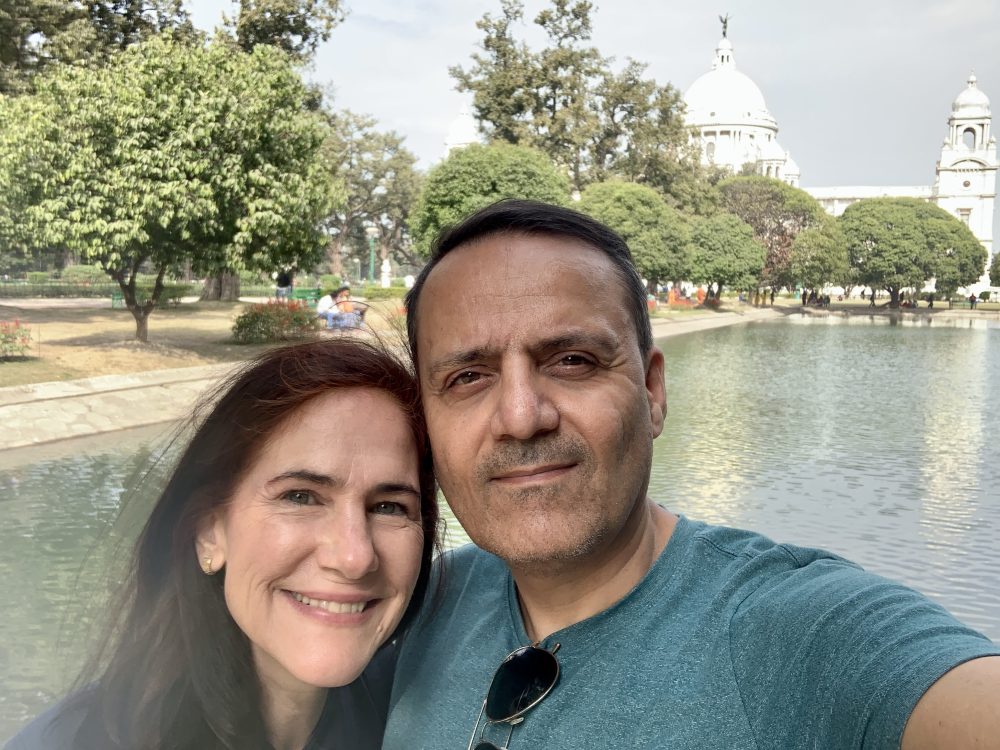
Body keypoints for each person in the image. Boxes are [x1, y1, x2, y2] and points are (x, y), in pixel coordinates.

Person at [384, 199, 1000, 749]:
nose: (521, 418)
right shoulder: (415, 602)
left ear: (652, 392)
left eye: (572, 361)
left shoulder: (799, 634)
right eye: (468, 377)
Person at [7, 339, 439, 750]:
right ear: (210, 531)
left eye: (389, 507)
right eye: (300, 497)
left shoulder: (411, 714)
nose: (354, 557)